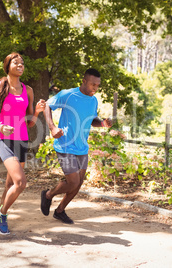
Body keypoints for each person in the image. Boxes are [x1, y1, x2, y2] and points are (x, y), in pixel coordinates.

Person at [0, 52, 46, 235]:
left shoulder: (28, 90)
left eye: (22, 63)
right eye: (16, 63)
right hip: (4, 139)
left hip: (22, 140)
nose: (20, 66)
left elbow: (30, 122)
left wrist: (38, 111)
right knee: (20, 182)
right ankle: (1, 214)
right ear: (7, 66)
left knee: (10, 185)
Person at [41, 68, 112, 224]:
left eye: (98, 85)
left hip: (82, 147)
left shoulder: (93, 100)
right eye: (93, 84)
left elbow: (93, 119)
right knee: (72, 182)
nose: (95, 88)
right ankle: (48, 195)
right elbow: (47, 106)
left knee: (78, 184)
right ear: (84, 81)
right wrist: (52, 127)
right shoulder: (68, 94)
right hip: (65, 145)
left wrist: (102, 123)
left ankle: (59, 211)